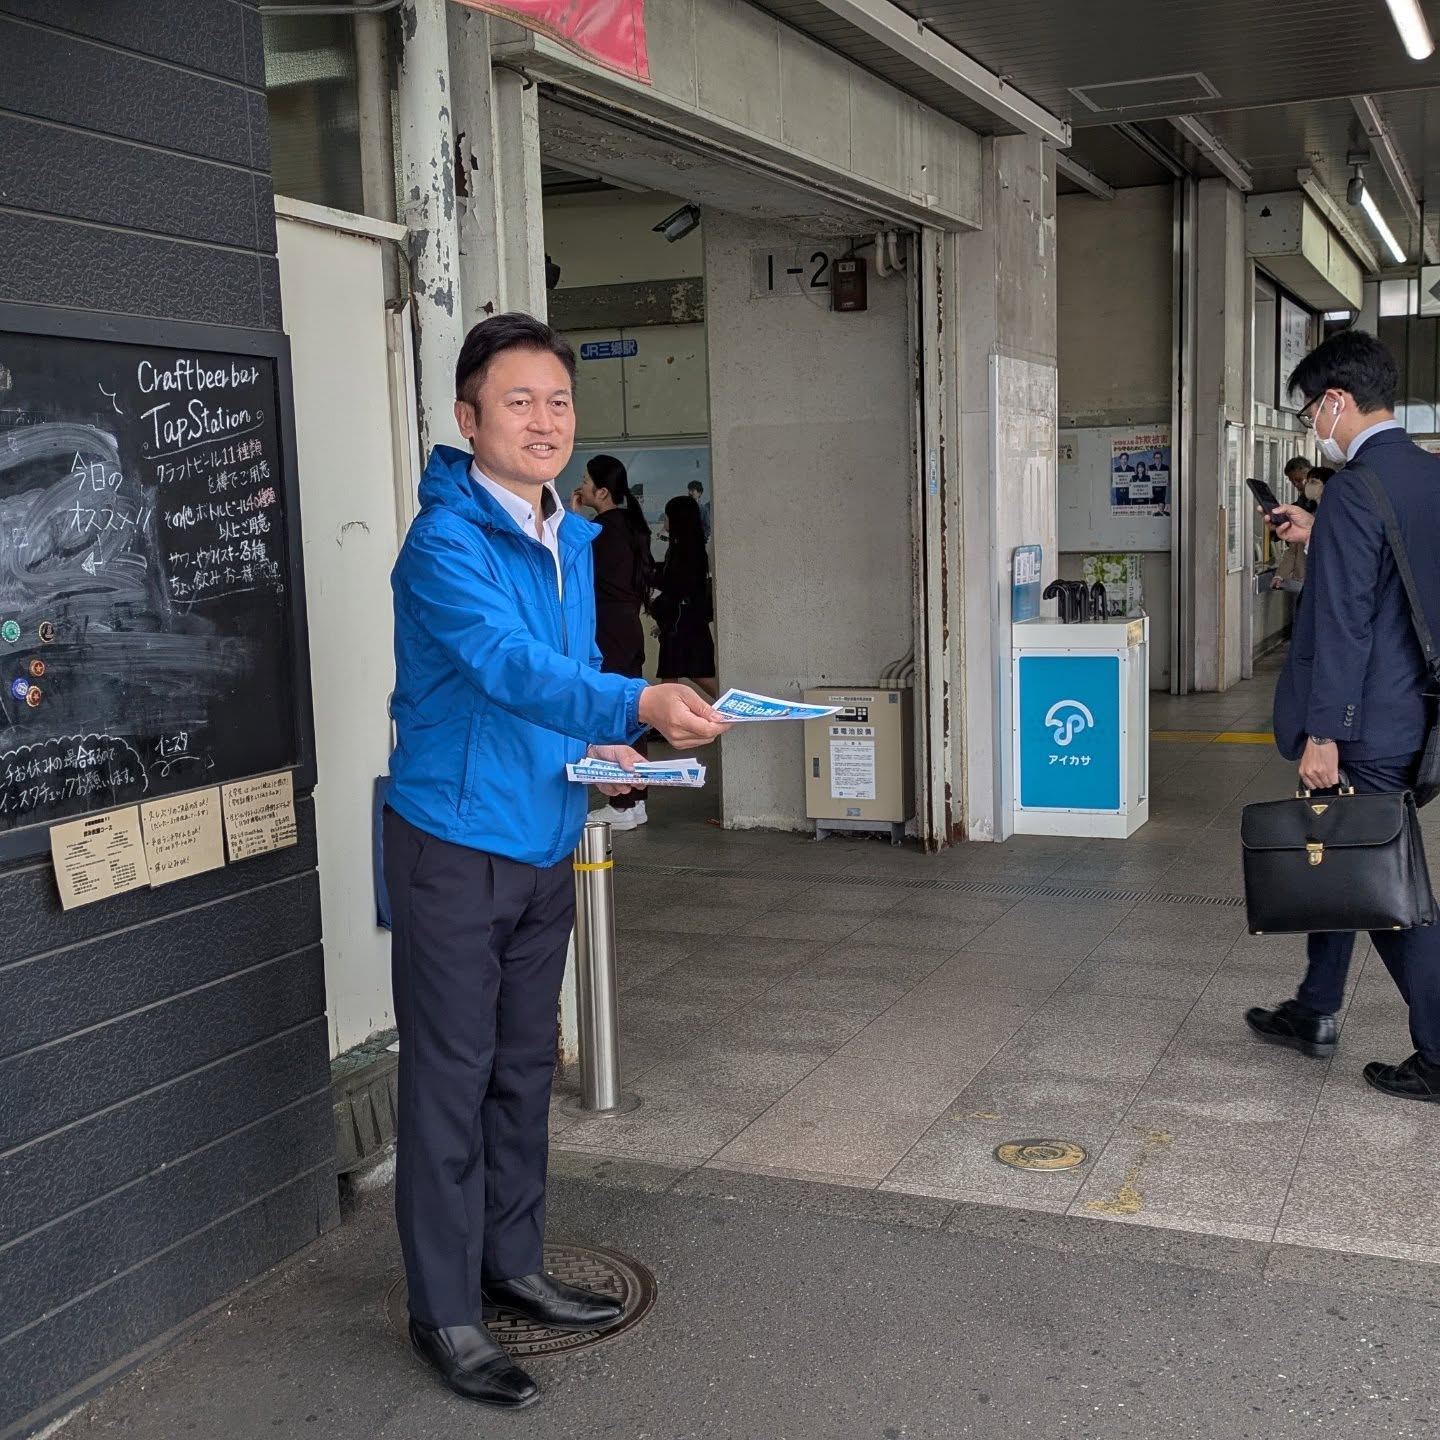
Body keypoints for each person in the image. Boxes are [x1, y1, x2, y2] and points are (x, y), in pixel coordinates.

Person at [384, 313, 730, 1408]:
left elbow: (566, 680)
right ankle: (443, 1308)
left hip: (542, 836)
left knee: (525, 1068)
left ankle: (512, 1261)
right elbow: (506, 667)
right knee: (450, 1078)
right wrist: (636, 698)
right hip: (451, 843)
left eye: (560, 402)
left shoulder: (565, 538)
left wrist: (610, 752)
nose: (544, 421)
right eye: (520, 401)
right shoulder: (444, 543)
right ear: (468, 418)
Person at [1246, 329, 1440, 1104]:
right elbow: (1400, 573)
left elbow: (1348, 618)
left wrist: (1325, 733)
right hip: (1412, 709)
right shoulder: (1423, 475)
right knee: (1341, 854)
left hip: (1363, 719)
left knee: (1392, 894)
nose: (1308, 426)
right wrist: (1320, 534)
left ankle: (1436, 1052)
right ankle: (1314, 1010)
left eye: (1307, 410)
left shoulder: (1358, 482)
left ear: (1336, 400)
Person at [571, 454, 653, 831]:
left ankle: (622, 805)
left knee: (612, 709)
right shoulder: (630, 526)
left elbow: (569, 563)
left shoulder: (599, 531)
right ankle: (635, 802)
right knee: (632, 710)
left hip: (607, 629)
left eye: (587, 481)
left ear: (602, 492)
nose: (581, 486)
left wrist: (571, 520)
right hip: (627, 625)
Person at [653, 494, 717, 698]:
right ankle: (668, 725)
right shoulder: (691, 547)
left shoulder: (685, 551)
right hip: (684, 622)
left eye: (667, 516)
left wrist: (649, 578)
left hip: (683, 625)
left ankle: (733, 709)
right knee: (674, 674)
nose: (665, 521)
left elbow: (676, 585)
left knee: (687, 672)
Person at [1270, 467, 1332, 593]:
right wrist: (1280, 575)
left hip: (1325, 586)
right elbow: (1294, 550)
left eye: (1314, 482)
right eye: (1307, 482)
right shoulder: (1305, 514)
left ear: (1327, 486)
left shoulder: (1336, 518)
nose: (1308, 486)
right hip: (1302, 584)